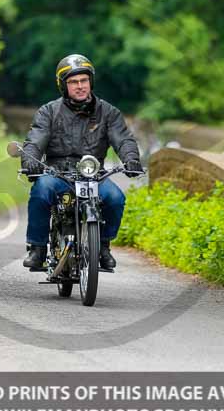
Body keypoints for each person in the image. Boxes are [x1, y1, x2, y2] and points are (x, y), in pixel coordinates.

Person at [20, 54, 144, 270]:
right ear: (63, 85)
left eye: (84, 80)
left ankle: (103, 246)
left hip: (94, 175)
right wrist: (30, 160)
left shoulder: (108, 112)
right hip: (58, 174)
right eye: (73, 82)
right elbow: (35, 140)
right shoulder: (48, 112)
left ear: (91, 82)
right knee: (41, 191)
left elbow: (123, 139)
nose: (80, 86)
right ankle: (37, 248)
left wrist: (131, 159)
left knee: (115, 197)